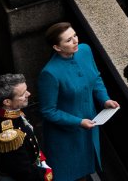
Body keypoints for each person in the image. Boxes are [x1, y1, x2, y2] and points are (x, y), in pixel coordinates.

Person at [38, 22, 119, 181]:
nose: (75, 41)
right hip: (66, 134)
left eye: (74, 35)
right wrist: (78, 122)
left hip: (90, 123)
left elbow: (95, 78)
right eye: (68, 40)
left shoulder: (85, 50)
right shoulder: (49, 73)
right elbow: (48, 111)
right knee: (70, 173)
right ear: (57, 47)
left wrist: (105, 100)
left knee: (88, 167)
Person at [0, 73, 53, 181]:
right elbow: (22, 171)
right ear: (7, 102)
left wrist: (41, 158)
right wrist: (44, 174)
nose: (29, 94)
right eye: (22, 94)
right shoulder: (9, 135)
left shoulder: (4, 110)